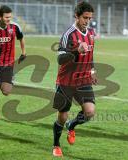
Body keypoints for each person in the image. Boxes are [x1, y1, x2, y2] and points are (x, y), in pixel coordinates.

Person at [52, 1, 97, 157]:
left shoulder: (91, 33)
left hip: (83, 79)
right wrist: (77, 51)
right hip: (66, 81)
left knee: (90, 112)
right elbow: (60, 59)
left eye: (90, 18)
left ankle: (73, 124)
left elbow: (91, 55)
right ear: (76, 16)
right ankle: (56, 145)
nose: (87, 21)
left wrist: (92, 70)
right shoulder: (68, 34)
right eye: (85, 18)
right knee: (62, 116)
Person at [0, 5, 26, 120]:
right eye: (6, 17)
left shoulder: (14, 27)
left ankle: (3, 79)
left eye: (10, 17)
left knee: (7, 91)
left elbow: (21, 38)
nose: (9, 19)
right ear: (0, 16)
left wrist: (23, 53)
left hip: (8, 64)